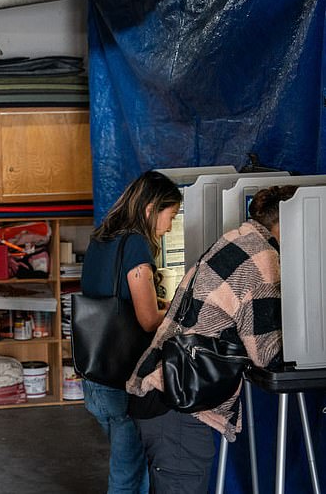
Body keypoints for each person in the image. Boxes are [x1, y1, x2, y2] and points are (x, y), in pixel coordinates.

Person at [126, 185, 297, 494]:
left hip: (159, 389)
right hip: (178, 406)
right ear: (288, 222)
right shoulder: (263, 259)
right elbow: (267, 355)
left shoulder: (236, 239)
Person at [80, 170, 182, 493]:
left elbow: (114, 297)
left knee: (133, 471)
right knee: (128, 479)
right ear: (151, 209)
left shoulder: (101, 238)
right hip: (122, 379)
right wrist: (178, 309)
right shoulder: (135, 244)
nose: (169, 228)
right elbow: (149, 320)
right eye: (171, 216)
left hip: (94, 375)